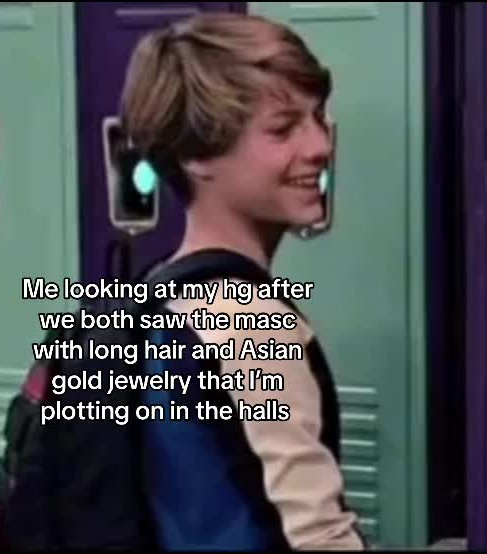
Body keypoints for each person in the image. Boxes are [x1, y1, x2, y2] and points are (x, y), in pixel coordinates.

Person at [119, 12, 367, 550]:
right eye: (283, 129)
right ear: (197, 156)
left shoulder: (156, 296)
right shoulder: (245, 319)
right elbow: (315, 539)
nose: (320, 145)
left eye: (317, 117)